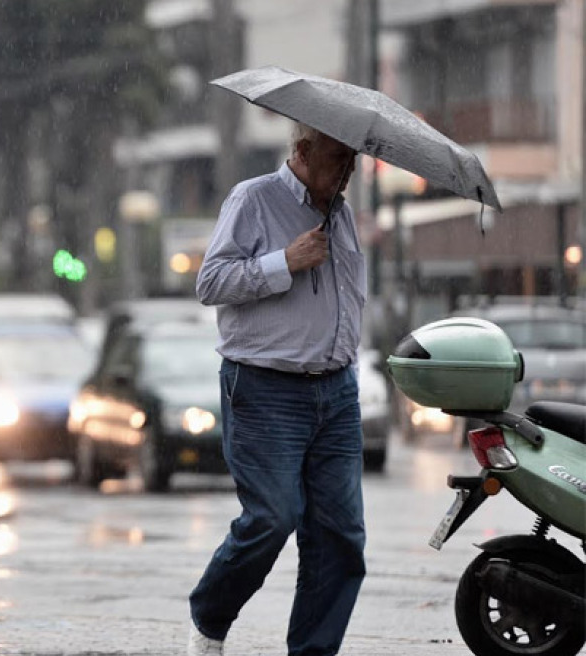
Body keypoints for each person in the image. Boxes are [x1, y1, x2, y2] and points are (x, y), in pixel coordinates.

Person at [188, 123, 366, 656]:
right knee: (273, 518)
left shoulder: (343, 214)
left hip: (337, 391)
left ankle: (313, 651)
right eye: (338, 158)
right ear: (303, 152)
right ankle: (209, 618)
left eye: (353, 160)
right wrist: (284, 261)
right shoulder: (253, 199)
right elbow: (210, 283)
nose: (347, 171)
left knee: (341, 536)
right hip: (266, 388)